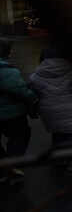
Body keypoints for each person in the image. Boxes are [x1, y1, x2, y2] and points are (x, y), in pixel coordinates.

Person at [28, 49, 72, 170]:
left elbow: (32, 94)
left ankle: (60, 158)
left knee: (58, 134)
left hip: (50, 111)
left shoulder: (35, 76)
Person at [0, 38, 37, 183]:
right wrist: (33, 98)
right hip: (11, 114)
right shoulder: (6, 70)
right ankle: (11, 165)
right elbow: (18, 89)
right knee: (19, 137)